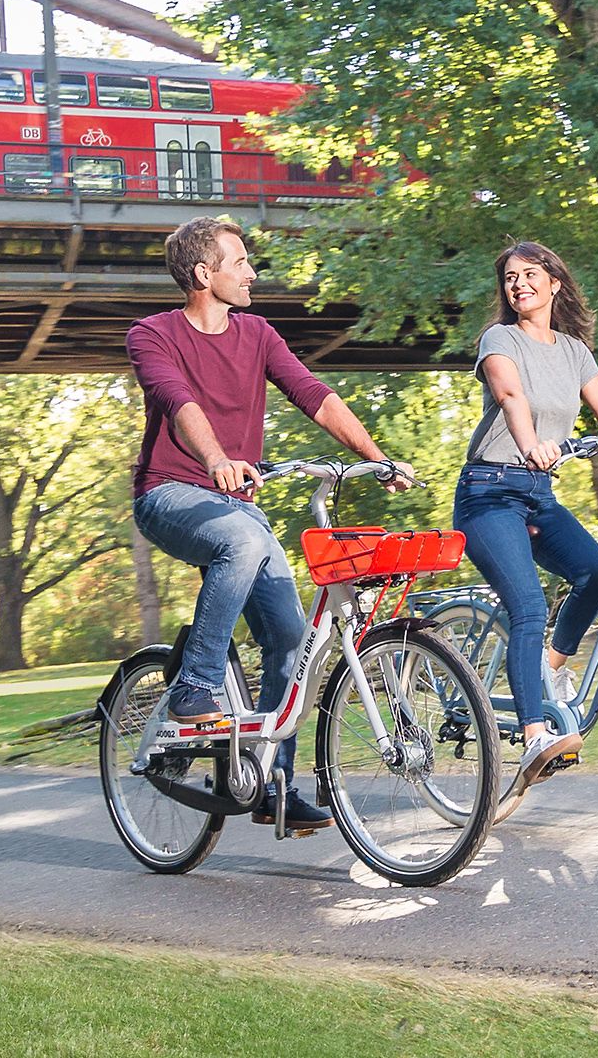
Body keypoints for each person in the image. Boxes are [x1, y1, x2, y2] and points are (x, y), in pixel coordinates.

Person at [127, 217, 415, 832]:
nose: (252, 272)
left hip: (237, 503)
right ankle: (194, 686)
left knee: (290, 640)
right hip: (171, 493)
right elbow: (181, 404)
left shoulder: (257, 333)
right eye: (239, 262)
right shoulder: (152, 334)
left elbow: (314, 394)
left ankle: (269, 784)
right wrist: (217, 462)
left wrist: (377, 457)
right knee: (245, 536)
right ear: (203, 275)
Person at [453, 241, 598, 796]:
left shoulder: (573, 351)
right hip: (489, 493)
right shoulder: (500, 339)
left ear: (555, 283)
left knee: (596, 573)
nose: (519, 285)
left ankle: (551, 666)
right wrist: (533, 443)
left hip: (536, 494)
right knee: (530, 605)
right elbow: (510, 393)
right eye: (510, 278)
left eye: (530, 274)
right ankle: (536, 732)